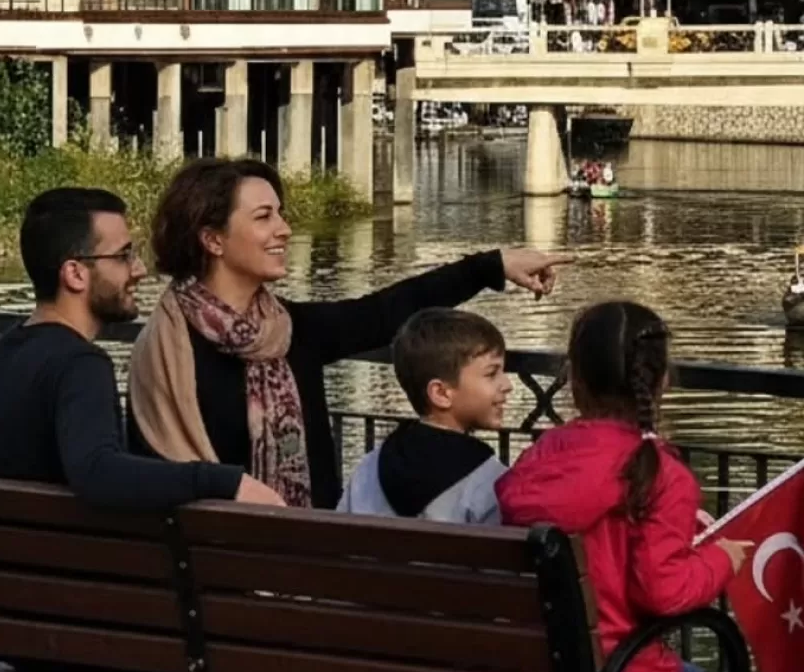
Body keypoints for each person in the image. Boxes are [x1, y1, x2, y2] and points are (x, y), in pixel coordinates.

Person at [128, 158, 569, 509]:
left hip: (255, 578)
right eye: (264, 217)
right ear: (213, 240)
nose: (284, 229)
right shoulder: (169, 349)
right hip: (246, 581)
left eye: (280, 213)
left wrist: (492, 265)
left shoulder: (289, 331)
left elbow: (386, 311)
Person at [0, 187, 283, 510]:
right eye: (123, 256)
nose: (139, 269)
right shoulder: (80, 363)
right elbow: (99, 472)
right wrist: (225, 481)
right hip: (52, 559)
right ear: (75, 274)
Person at [495, 301, 751, 672]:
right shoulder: (660, 474)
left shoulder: (542, 457)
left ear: (574, 378)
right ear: (661, 380)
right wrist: (722, 559)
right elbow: (663, 592)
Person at [337, 308, 509, 524]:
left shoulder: (370, 467)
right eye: (492, 374)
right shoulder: (490, 482)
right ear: (440, 393)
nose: (507, 385)